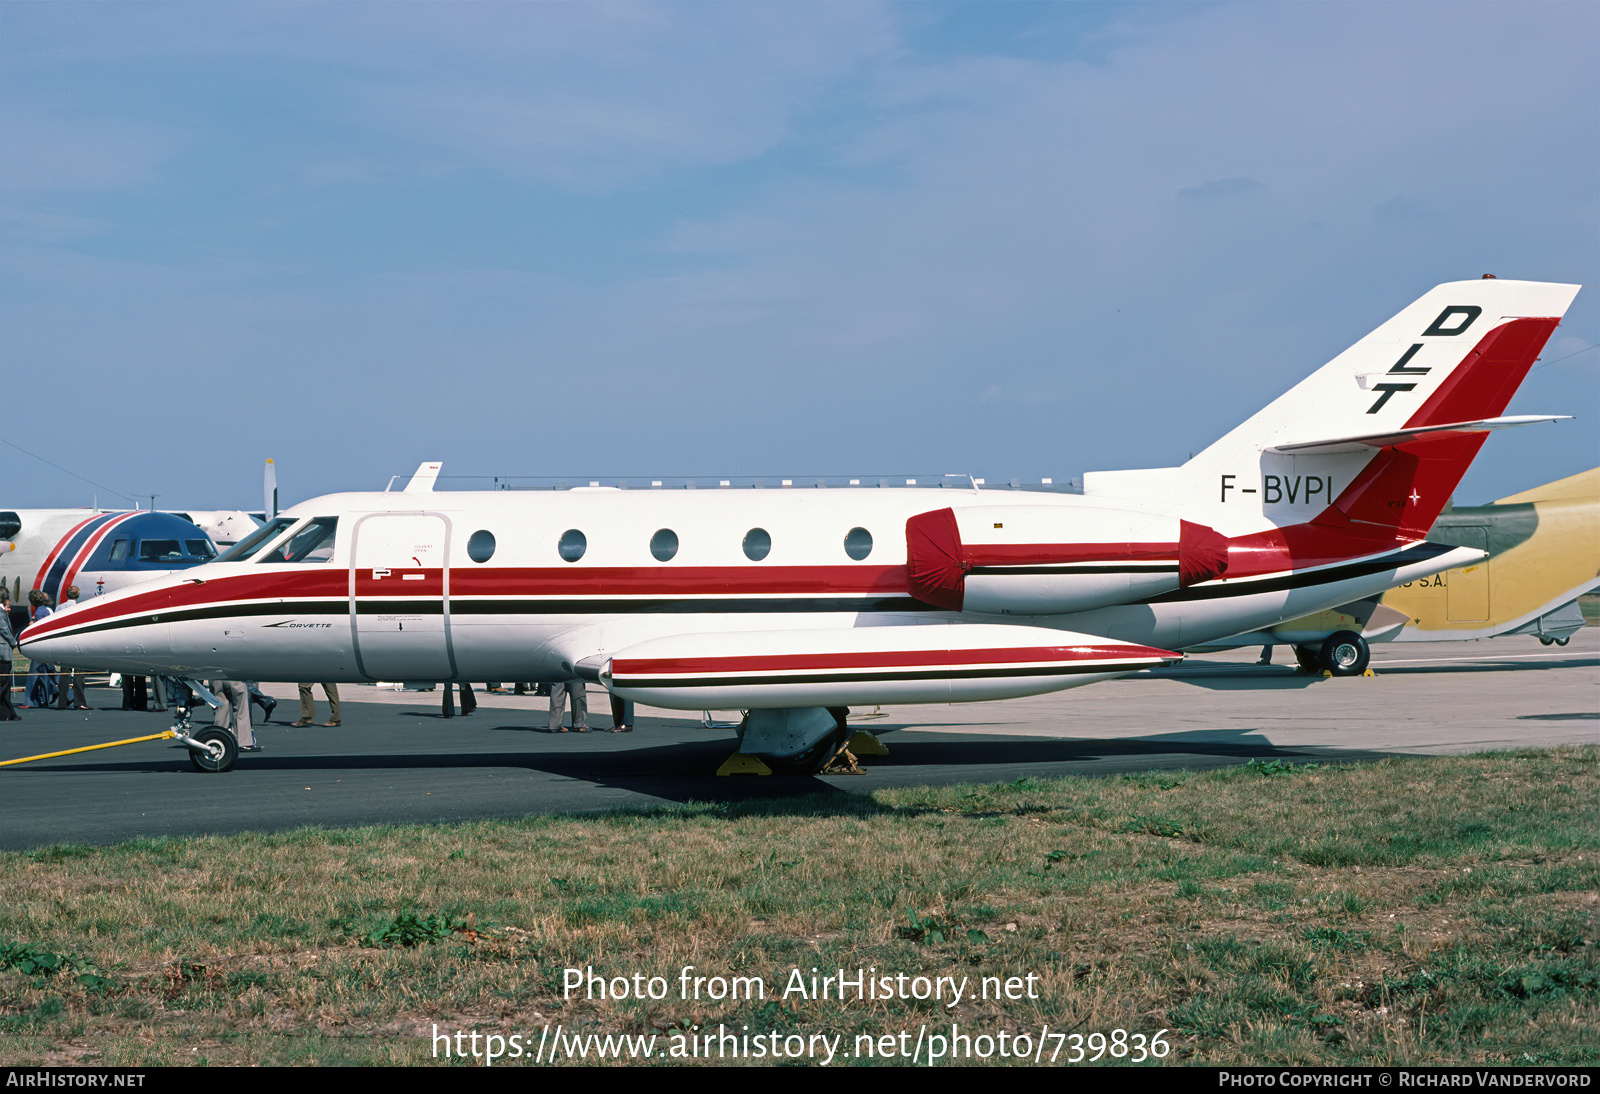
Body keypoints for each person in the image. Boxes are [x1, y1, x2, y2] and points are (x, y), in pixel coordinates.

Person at [52, 587, 89, 710]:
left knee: (64, 673)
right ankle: (79, 702)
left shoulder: (60, 608)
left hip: (64, 643)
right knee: (79, 674)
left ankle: (62, 702)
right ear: (77, 596)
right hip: (77, 643)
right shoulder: (81, 608)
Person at [22, 591, 55, 709]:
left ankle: (30, 701)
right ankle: (46, 697)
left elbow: (41, 630)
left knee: (34, 673)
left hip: (41, 646)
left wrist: (32, 625)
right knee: (45, 673)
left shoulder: (39, 612)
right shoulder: (47, 610)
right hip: (48, 646)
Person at [210, 679, 259, 751]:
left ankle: (218, 738)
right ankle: (243, 741)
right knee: (241, 706)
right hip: (233, 676)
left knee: (221, 706)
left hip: (215, 675)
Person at [0, 589, 19, 721]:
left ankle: (7, 713)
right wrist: (14, 642)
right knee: (3, 684)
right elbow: (4, 630)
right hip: (3, 652)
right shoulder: (0, 613)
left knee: (5, 685)